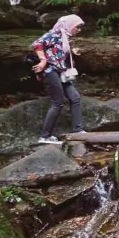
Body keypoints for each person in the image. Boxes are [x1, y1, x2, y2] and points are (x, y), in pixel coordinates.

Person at [31, 14, 86, 144]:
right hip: (51, 71)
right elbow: (37, 44)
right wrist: (43, 60)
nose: (79, 30)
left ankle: (78, 130)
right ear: (69, 25)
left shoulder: (65, 37)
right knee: (58, 102)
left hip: (61, 71)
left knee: (75, 97)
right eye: (77, 27)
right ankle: (45, 136)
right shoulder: (54, 34)